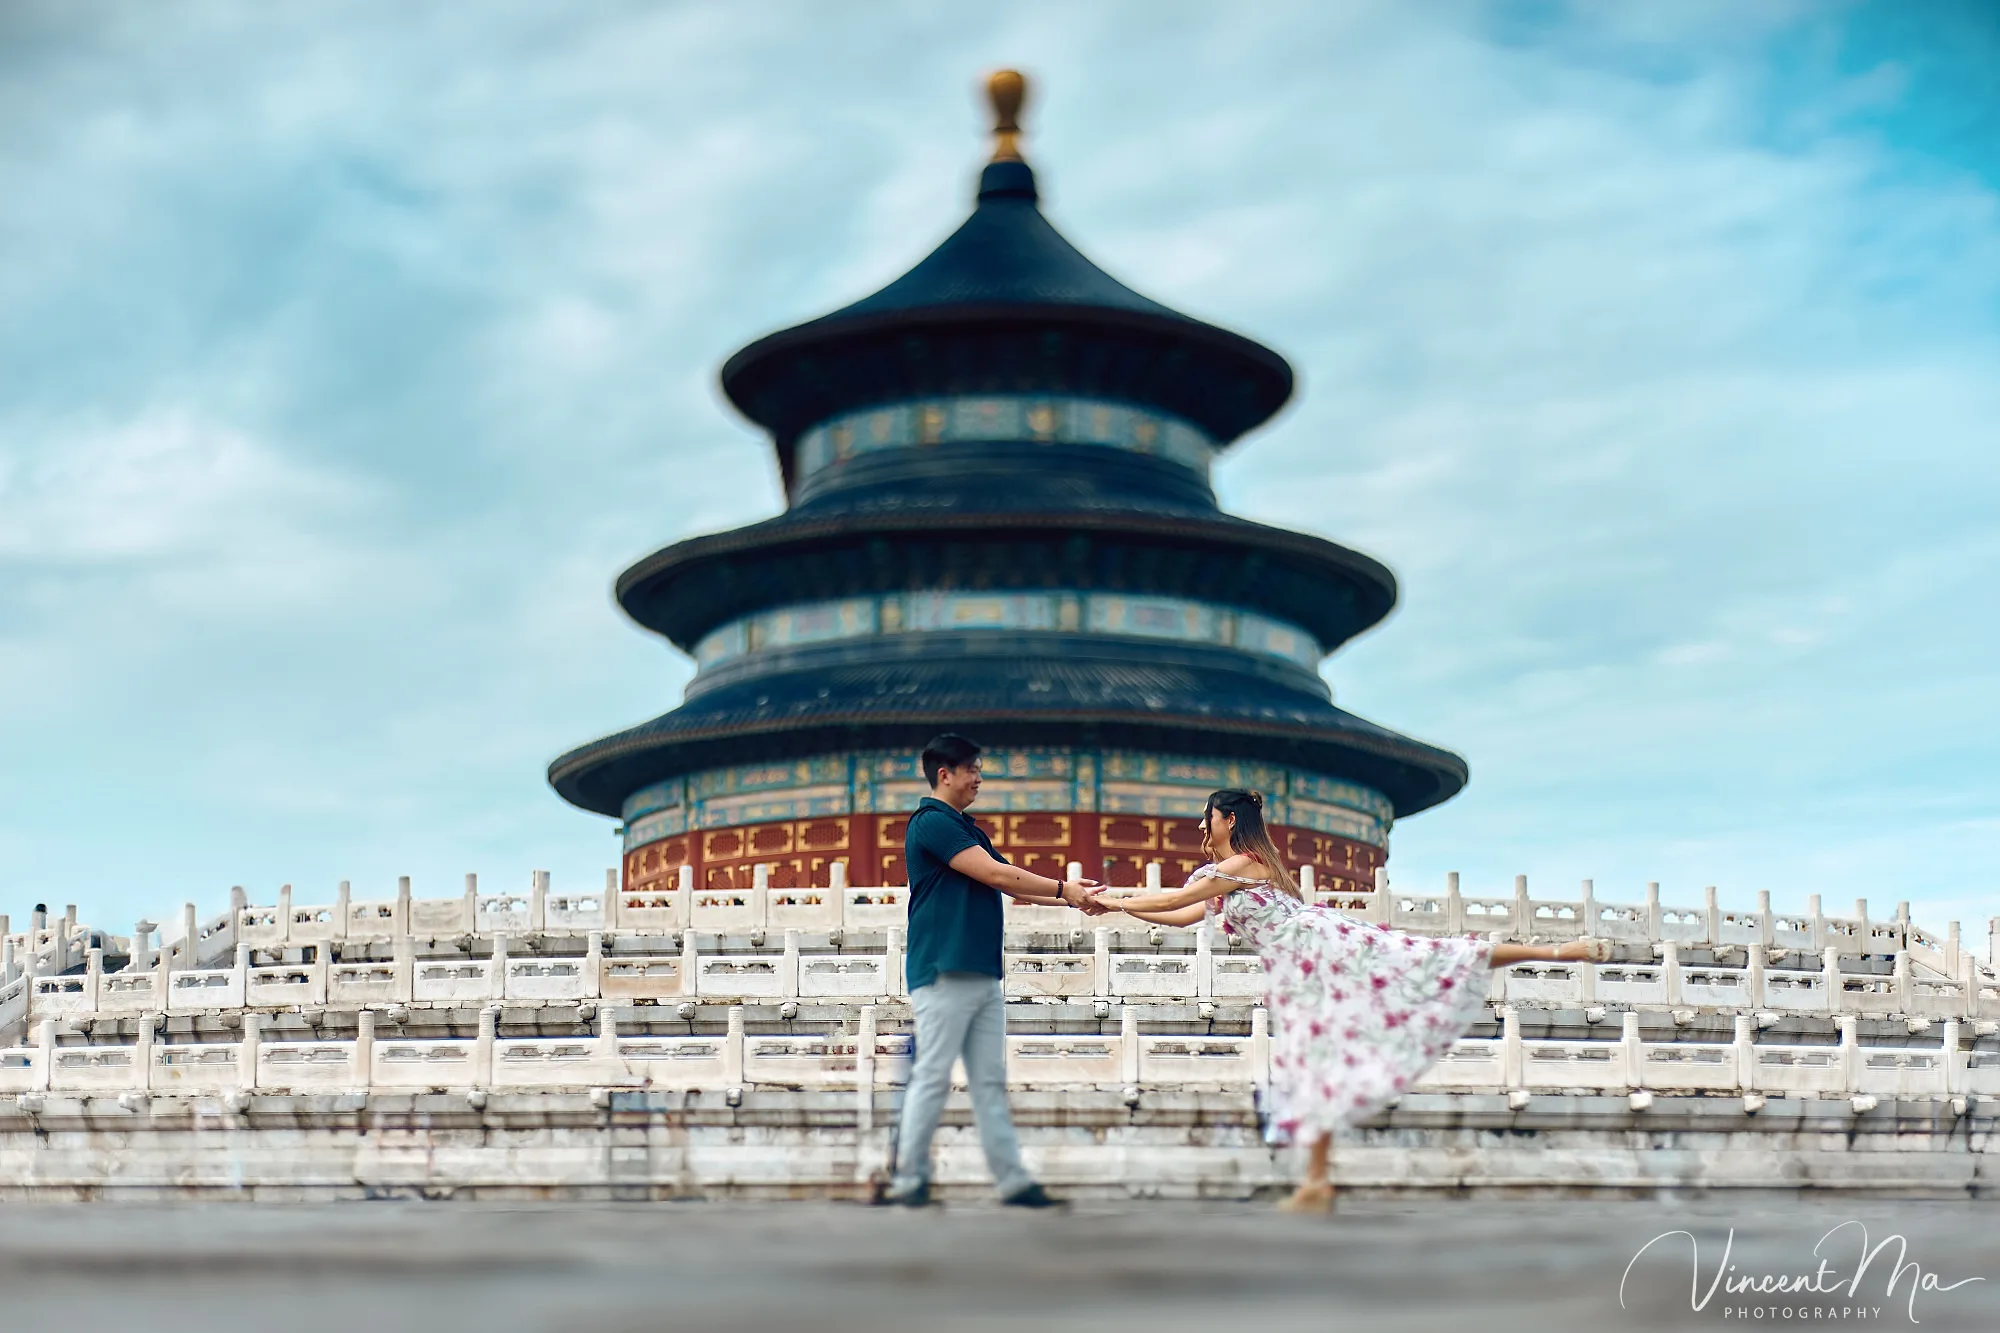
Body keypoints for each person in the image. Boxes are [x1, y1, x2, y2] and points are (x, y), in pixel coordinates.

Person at [1090, 787, 1615, 1214]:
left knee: (1428, 956)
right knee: (1314, 1059)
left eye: (1207, 819)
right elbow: (1177, 915)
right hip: (1298, 969)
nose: (1202, 829)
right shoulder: (1217, 877)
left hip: (1320, 945)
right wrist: (1115, 907)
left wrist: (1103, 898)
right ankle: (1317, 1180)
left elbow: (1173, 900)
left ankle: (1557, 950)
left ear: (1227, 819)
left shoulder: (1248, 864)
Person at [876, 733, 1106, 1209]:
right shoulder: (932, 823)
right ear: (945, 774)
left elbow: (1015, 887)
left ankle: (1013, 1181)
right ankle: (907, 1179)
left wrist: (1077, 896)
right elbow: (999, 876)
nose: (979, 779)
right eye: (972, 770)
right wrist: (1066, 889)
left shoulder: (967, 829)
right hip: (944, 966)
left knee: (988, 1081)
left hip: (980, 969)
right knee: (934, 1076)